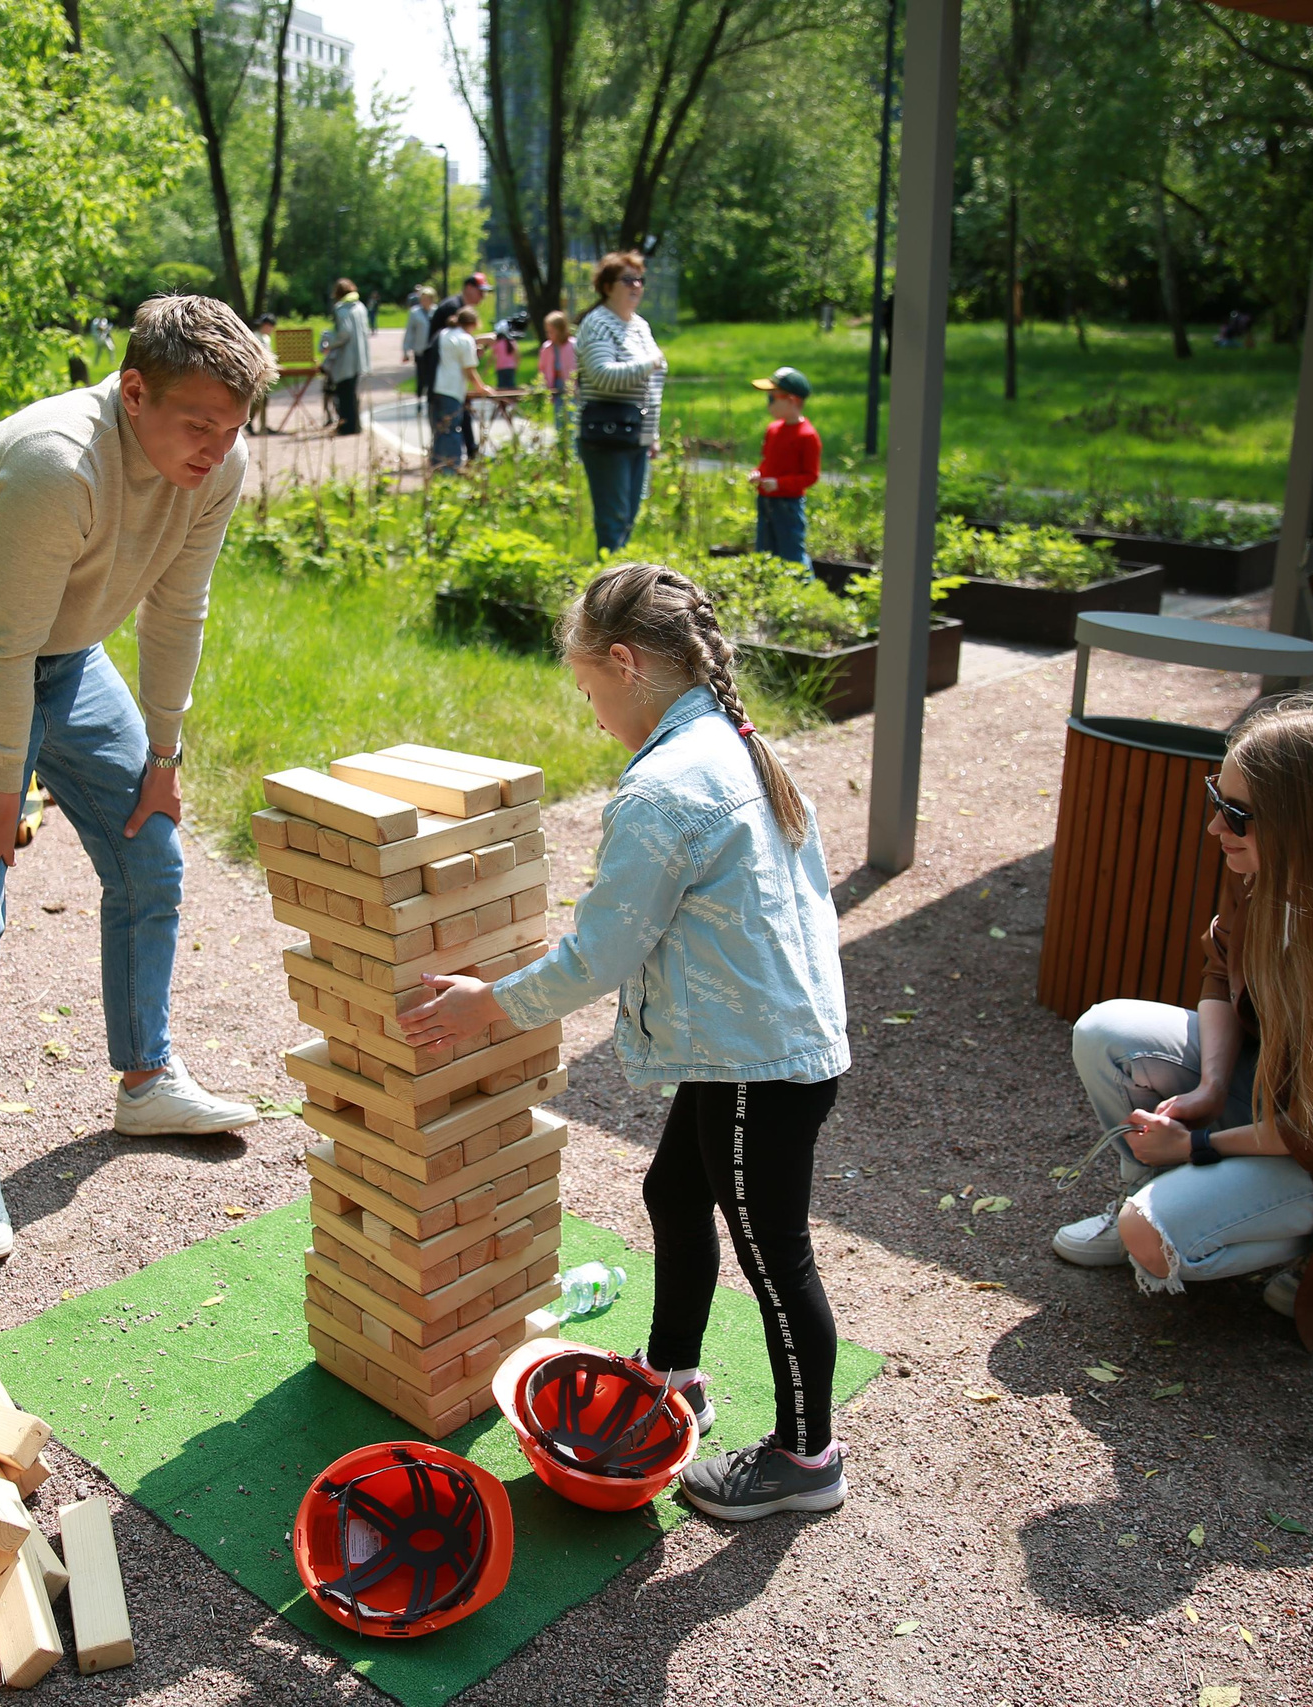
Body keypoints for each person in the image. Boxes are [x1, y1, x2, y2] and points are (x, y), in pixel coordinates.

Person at [397, 563, 850, 1521]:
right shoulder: (732, 739)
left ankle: (809, 1459)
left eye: (587, 687)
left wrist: (491, 1004)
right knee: (672, 1189)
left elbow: (600, 952)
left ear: (625, 661)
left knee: (776, 1257)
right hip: (755, 1043)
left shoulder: (665, 788)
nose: (590, 707)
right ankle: (672, 1370)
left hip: (755, 1063)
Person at [0, 295, 273, 1262]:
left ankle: (146, 1083)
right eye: (197, 424)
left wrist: (166, 756)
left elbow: (179, 611)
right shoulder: (60, 463)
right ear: (133, 391)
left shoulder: (217, 465)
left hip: (70, 652)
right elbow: (2, 649)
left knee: (151, 848)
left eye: (233, 429)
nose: (216, 449)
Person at [1050, 696, 1313, 1348]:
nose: (1215, 827)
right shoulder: (1260, 870)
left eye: (1237, 814)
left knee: (1148, 1237)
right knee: (1104, 1031)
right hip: (1272, 1088)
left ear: (1309, 824)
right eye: (1218, 797)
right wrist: (1212, 1087)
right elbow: (1220, 971)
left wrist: (1201, 1145)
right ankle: (1159, 1190)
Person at [576, 251, 668, 553]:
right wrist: (648, 363)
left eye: (640, 279)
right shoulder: (598, 323)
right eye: (628, 279)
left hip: (637, 436)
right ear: (606, 286)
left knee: (629, 515)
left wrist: (651, 434)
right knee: (613, 518)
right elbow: (602, 375)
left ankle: (618, 585)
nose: (636, 286)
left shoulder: (639, 325)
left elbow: (652, 383)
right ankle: (607, 591)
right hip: (608, 436)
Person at [750, 366, 821, 567]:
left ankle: (804, 589)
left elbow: (811, 476)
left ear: (792, 400)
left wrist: (780, 484)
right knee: (764, 551)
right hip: (765, 499)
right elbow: (767, 461)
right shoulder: (772, 429)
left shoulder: (807, 435)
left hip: (788, 504)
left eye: (772, 398)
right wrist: (758, 473)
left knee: (792, 553)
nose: (768, 404)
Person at [428, 273, 491, 463]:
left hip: (437, 385)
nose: (482, 297)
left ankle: (437, 464)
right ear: (472, 324)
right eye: (480, 292)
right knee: (453, 429)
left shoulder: (447, 333)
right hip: (452, 389)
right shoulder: (464, 338)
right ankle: (452, 467)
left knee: (441, 430)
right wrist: (481, 388)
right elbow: (469, 369)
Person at [320, 278, 370, 438]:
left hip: (346, 358)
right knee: (353, 393)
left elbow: (344, 333)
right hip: (360, 357)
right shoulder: (360, 307)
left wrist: (330, 343)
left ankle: (346, 427)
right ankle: (355, 425)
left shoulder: (341, 309)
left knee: (344, 393)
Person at [537, 309, 576, 433]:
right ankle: (561, 446)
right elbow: (542, 369)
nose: (549, 335)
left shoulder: (574, 345)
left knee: (572, 419)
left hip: (572, 387)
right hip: (556, 386)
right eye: (547, 332)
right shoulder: (547, 348)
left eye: (552, 332)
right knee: (559, 418)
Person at [402, 285, 438, 398]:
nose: (425, 301)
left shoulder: (436, 311)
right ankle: (419, 399)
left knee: (433, 376)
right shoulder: (415, 312)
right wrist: (406, 349)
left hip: (433, 350)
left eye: (428, 299)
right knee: (421, 376)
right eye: (423, 299)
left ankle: (431, 398)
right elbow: (410, 332)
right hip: (420, 349)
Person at [247, 312, 278, 436]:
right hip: (257, 372)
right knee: (258, 400)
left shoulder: (266, 338)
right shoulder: (256, 337)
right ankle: (256, 424)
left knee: (263, 401)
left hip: (265, 372)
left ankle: (262, 425)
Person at [490, 319, 520, 392]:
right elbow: (517, 356)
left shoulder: (497, 343)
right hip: (510, 367)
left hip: (500, 368)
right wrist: (516, 366)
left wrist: (487, 368)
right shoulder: (512, 342)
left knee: (501, 388)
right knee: (511, 387)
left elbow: (492, 356)